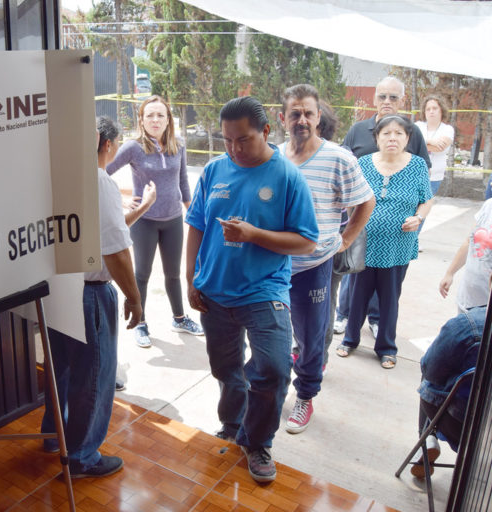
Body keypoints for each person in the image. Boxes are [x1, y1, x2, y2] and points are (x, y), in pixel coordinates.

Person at [185, 96, 319, 482]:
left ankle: (258, 441)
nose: (234, 148)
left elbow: (307, 242)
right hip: (214, 292)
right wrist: (192, 277)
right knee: (226, 370)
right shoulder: (213, 171)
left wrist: (254, 235)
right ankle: (232, 425)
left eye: (242, 139)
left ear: (265, 131)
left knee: (275, 370)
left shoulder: (287, 177)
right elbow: (196, 225)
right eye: (227, 140)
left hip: (264, 291)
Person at [40, 116, 143, 478]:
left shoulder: (53, 174)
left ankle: (54, 435)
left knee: (61, 369)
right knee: (93, 377)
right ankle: (82, 457)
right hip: (89, 292)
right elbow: (114, 250)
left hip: (55, 287)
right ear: (107, 144)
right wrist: (134, 297)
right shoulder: (99, 182)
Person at [278, 84, 375, 434]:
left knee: (311, 336)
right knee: (272, 332)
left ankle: (305, 395)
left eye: (308, 113)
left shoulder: (339, 158)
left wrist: (346, 239)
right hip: (273, 266)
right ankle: (273, 390)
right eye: (295, 113)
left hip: (314, 266)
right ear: (283, 117)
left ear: (318, 117)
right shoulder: (274, 157)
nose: (302, 119)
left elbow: (365, 201)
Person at [336, 76, 432, 339]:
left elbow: (423, 180)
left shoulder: (411, 132)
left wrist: (418, 215)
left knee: (387, 282)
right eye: (382, 96)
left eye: (393, 97)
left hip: (397, 232)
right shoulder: (357, 130)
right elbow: (343, 170)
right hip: (358, 226)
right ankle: (344, 318)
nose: (387, 102)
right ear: (374, 98)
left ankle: (377, 321)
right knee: (353, 274)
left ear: (402, 100)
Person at [106, 95, 203, 348]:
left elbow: (183, 183)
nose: (155, 119)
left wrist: (192, 215)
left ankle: (179, 318)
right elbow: (101, 172)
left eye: (160, 114)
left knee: (174, 274)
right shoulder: (133, 148)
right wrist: (121, 199)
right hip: (145, 221)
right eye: (149, 115)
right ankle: (141, 323)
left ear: (168, 119)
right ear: (141, 119)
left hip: (173, 220)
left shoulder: (178, 145)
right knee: (142, 274)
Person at [412, 302, 485, 478]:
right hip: (486, 433)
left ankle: (427, 440)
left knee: (432, 382)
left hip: (460, 424)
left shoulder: (468, 323)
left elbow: (430, 369)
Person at [439, 198, 492, 313]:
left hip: (486, 306)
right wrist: (450, 273)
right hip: (468, 297)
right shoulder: (489, 205)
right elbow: (470, 241)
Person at [415, 94, 455, 196]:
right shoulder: (418, 126)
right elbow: (409, 145)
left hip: (434, 177)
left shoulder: (447, 129)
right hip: (414, 175)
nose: (431, 111)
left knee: (424, 207)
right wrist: (431, 142)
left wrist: (421, 143)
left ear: (441, 110)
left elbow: (439, 148)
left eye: (434, 108)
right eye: (428, 109)